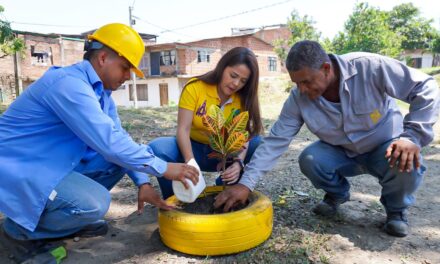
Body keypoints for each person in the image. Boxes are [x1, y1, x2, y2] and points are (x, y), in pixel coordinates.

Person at [0, 23, 199, 262]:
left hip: (48, 163)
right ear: (103, 58)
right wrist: (165, 168)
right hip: (18, 167)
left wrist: (143, 183)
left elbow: (120, 139)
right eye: (125, 68)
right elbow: (110, 144)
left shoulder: (101, 95)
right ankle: (18, 232)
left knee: (115, 164)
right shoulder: (69, 84)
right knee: (95, 204)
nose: (128, 77)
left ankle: (64, 221)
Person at [214, 40, 440, 237]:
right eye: (296, 83)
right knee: (310, 158)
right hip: (341, 153)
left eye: (307, 81)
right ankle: (337, 194)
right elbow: (276, 141)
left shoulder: (369, 67)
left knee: (405, 159)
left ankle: (396, 210)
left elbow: (426, 87)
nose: (301, 89)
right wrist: (246, 184)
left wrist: (412, 136)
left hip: (385, 149)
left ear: (325, 68)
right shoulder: (298, 98)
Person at [149, 47, 263, 199]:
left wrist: (238, 163)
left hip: (223, 154)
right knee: (157, 148)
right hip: (192, 148)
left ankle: (225, 188)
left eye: (243, 81)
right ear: (222, 68)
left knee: (258, 143)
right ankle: (174, 198)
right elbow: (183, 130)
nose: (236, 84)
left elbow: (245, 135)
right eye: (233, 75)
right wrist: (190, 162)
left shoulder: (243, 98)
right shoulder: (195, 87)